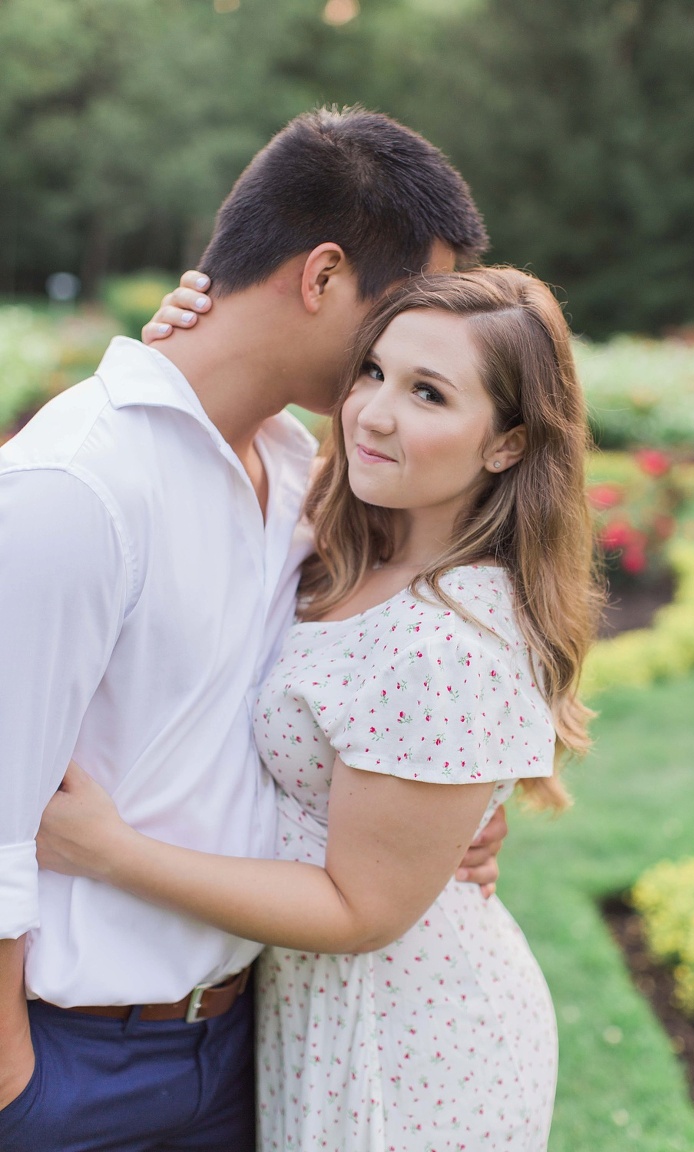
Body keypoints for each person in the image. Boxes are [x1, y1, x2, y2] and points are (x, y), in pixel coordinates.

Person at [0, 107, 507, 1152]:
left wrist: (431, 820)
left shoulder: (298, 473)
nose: (406, 346)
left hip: (245, 1049)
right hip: (69, 1070)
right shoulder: (74, 488)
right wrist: (15, 1083)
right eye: (399, 309)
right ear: (322, 277)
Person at [38, 266, 599, 1151]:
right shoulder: (348, 539)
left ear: (506, 445)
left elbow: (362, 911)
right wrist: (186, 344)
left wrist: (110, 851)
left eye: (428, 394)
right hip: (312, 1014)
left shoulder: (444, 644)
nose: (374, 411)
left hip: (408, 1041)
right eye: (372, 371)